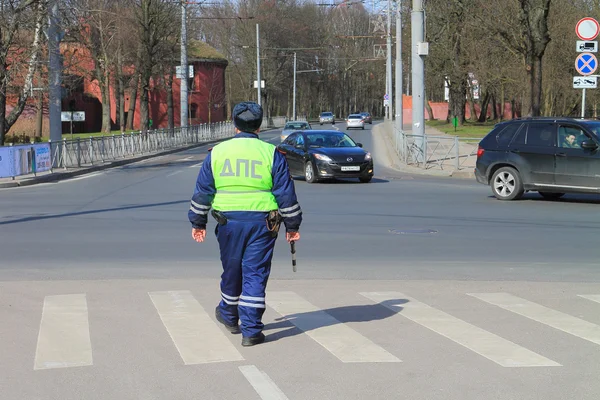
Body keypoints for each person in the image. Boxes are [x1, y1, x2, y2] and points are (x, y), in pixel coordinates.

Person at [188, 101, 302, 347]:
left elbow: (203, 192)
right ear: (259, 126)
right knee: (255, 273)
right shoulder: (272, 154)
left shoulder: (217, 153)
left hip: (228, 223)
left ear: (235, 124)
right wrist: (293, 226)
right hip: (263, 224)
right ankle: (251, 331)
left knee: (232, 269)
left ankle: (229, 316)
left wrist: (198, 222)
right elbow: (285, 194)